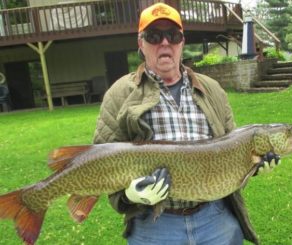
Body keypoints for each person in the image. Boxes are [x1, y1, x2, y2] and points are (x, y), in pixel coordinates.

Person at [93, 3, 279, 245]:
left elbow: (234, 147)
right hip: (155, 222)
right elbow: (99, 161)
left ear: (182, 41)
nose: (164, 43)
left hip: (214, 217)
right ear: (141, 44)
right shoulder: (120, 93)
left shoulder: (211, 88)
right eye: (154, 36)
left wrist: (253, 163)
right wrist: (129, 195)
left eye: (173, 35)